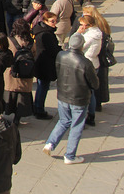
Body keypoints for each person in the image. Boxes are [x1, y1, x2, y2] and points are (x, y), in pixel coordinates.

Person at [42, 35, 99, 165]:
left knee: (63, 121)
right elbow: (95, 84)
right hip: (79, 98)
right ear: (82, 46)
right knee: (76, 126)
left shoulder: (61, 55)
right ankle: (70, 155)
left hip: (63, 94)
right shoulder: (85, 63)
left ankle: (50, 143)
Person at [4, 19, 35, 125]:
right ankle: (18, 117)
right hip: (26, 74)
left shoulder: (10, 40)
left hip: (12, 74)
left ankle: (9, 116)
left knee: (11, 96)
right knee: (22, 97)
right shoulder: (31, 42)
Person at [32, 12, 61, 120]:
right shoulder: (46, 34)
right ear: (45, 21)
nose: (55, 23)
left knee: (42, 86)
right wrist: (61, 50)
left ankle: (37, 107)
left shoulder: (42, 31)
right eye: (52, 21)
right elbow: (52, 50)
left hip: (41, 63)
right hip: (45, 65)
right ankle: (39, 109)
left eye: (55, 21)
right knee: (43, 87)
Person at [76, 14, 103, 127]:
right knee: (91, 92)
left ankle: (88, 115)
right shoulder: (97, 33)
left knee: (86, 92)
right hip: (94, 63)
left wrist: (78, 33)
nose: (81, 26)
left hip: (86, 63)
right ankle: (91, 114)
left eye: (82, 24)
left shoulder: (89, 36)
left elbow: (76, 45)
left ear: (89, 25)